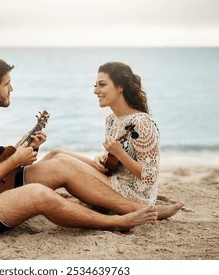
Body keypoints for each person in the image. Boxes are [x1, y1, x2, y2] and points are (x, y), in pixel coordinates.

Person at [0, 57, 178, 234]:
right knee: (39, 195)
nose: (12, 89)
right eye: (7, 84)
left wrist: (28, 153)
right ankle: (115, 222)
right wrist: (14, 160)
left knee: (62, 163)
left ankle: (141, 208)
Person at [42, 61, 181, 209]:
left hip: (133, 195)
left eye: (102, 84)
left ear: (120, 86)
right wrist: (100, 161)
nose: (96, 91)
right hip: (113, 179)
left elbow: (150, 177)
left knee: (63, 162)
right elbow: (113, 164)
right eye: (95, 85)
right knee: (57, 152)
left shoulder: (142, 123)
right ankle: (21, 188)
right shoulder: (111, 120)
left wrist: (120, 153)